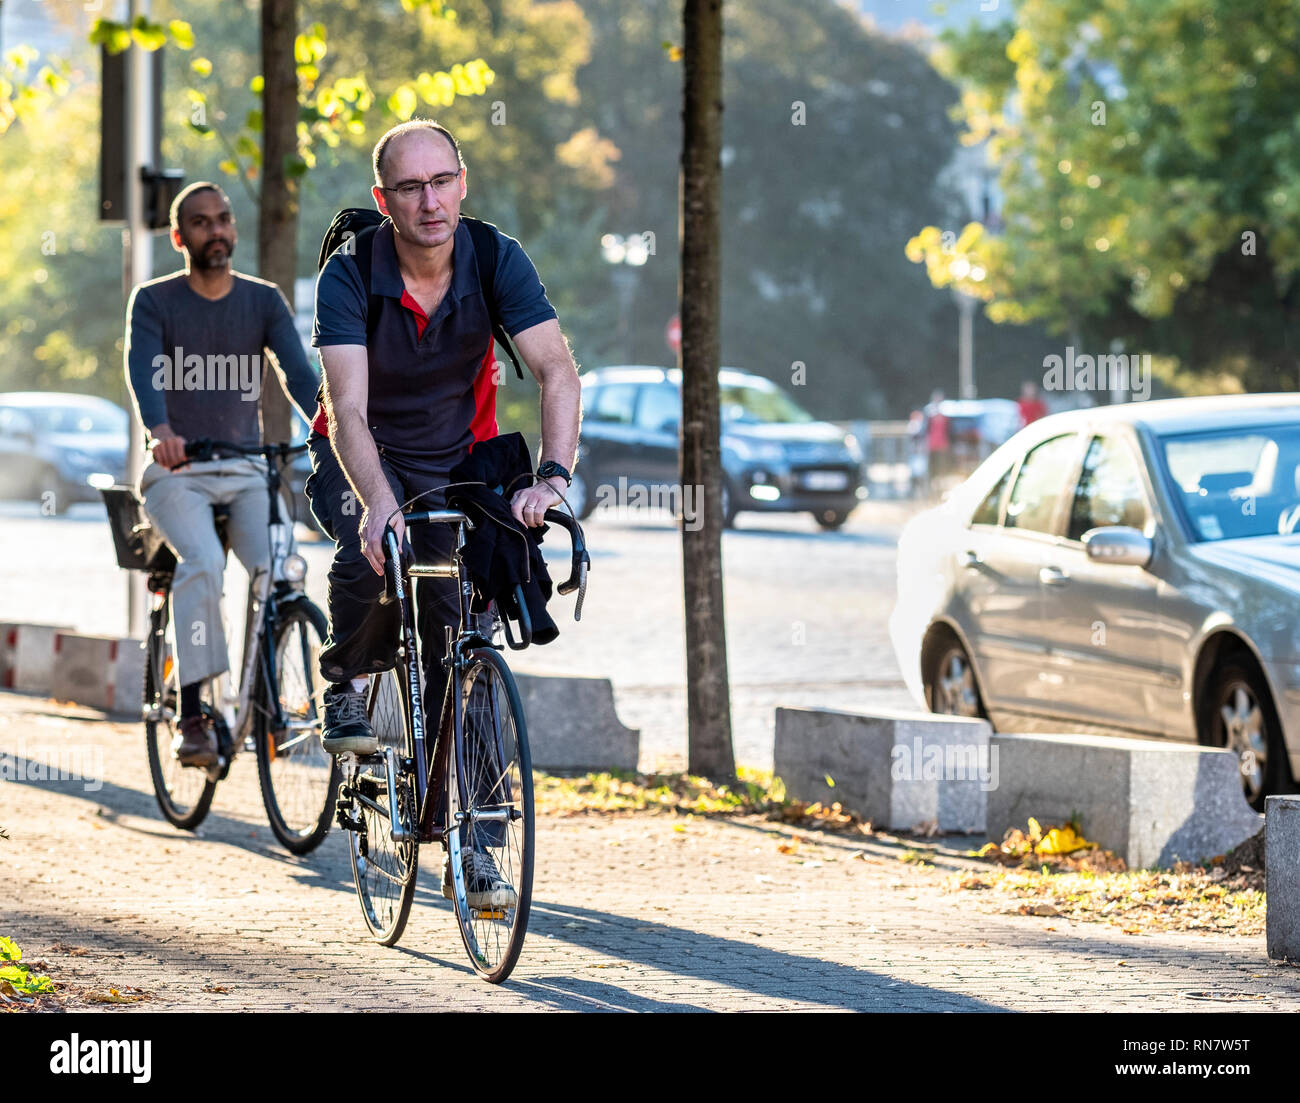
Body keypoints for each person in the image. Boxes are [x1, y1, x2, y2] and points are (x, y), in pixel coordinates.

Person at [309, 119, 580, 906]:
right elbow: (347, 408)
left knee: (466, 641)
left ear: (461, 182)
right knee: (371, 551)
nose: (429, 202)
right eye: (409, 188)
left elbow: (556, 368)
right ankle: (347, 677)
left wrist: (553, 478)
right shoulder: (351, 275)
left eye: (441, 182)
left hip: (458, 460)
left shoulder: (496, 258)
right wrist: (380, 504)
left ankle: (482, 844)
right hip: (361, 452)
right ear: (382, 198)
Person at [124, 182, 320, 767]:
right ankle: (191, 713)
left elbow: (298, 372)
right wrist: (160, 432)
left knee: (274, 569)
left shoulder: (263, 301)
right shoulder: (155, 301)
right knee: (204, 564)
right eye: (202, 223)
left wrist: (331, 428)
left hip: (245, 467)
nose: (216, 231)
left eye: (224, 220)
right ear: (181, 237)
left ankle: (263, 702)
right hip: (176, 471)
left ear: (234, 230)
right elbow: (143, 370)